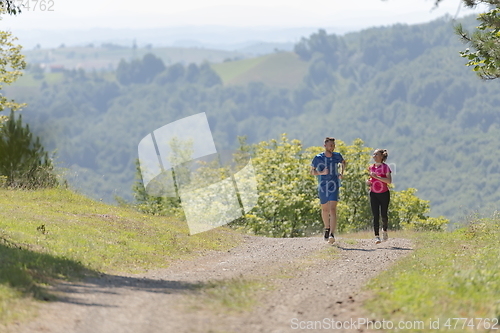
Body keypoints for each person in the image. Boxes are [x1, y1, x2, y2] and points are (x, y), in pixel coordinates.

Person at [310, 137, 346, 244]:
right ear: (325, 146)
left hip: (334, 185)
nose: (332, 147)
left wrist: (341, 173)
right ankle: (327, 227)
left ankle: (332, 234)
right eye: (330, 145)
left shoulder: (337, 156)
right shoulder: (318, 157)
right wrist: (321, 173)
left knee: (333, 209)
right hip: (323, 186)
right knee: (325, 209)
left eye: (333, 145)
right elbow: (312, 172)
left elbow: (343, 162)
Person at [366, 149, 392, 244]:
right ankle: (376, 236)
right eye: (374, 154)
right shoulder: (371, 167)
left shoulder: (386, 167)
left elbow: (389, 181)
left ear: (382, 157)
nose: (374, 156)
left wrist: (376, 177)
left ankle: (384, 230)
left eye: (376, 154)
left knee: (384, 214)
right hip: (373, 193)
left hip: (384, 193)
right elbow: (371, 179)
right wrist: (368, 182)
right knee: (375, 215)